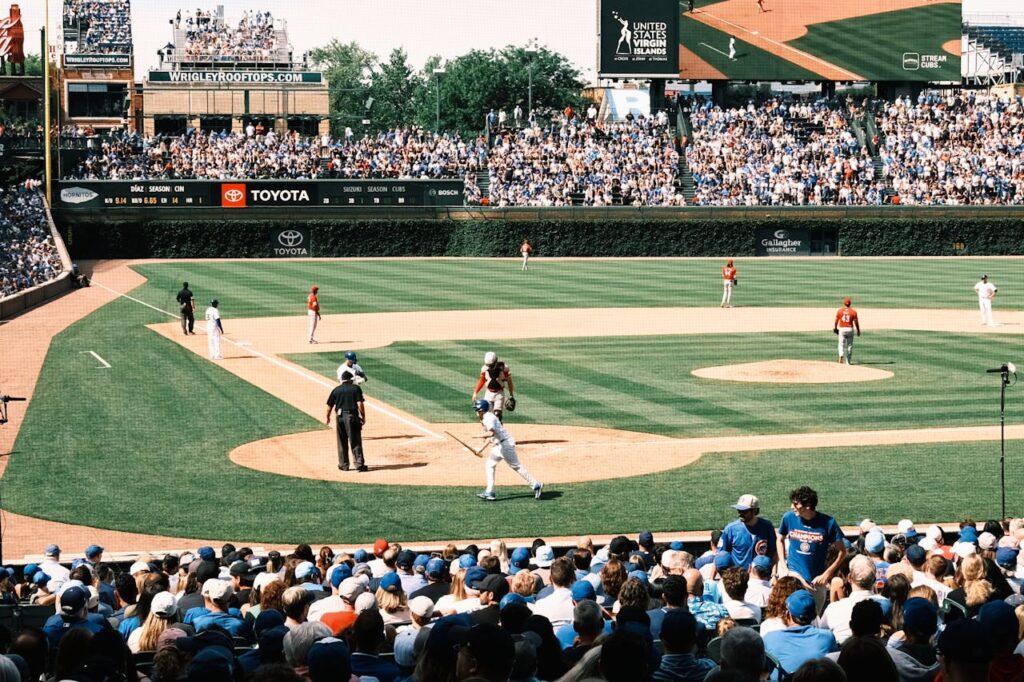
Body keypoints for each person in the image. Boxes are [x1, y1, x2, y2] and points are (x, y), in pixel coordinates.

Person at [777, 486, 846, 609]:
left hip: (816, 581)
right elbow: (779, 539)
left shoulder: (828, 523)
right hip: (794, 575)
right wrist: (784, 567)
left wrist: (827, 574)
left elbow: (842, 552)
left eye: (795, 504)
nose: (792, 507)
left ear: (808, 505)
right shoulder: (789, 517)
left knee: (814, 616)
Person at [473, 399, 542, 502]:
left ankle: (536, 484)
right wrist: (481, 449)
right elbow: (491, 438)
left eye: (477, 409)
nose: (476, 412)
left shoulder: (488, 418)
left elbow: (491, 433)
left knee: (516, 466)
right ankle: (490, 492)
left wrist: (477, 436)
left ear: (481, 410)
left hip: (505, 445)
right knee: (490, 464)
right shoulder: (484, 418)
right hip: (499, 445)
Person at [718, 494, 776, 571]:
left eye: (744, 511)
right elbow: (721, 555)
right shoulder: (730, 529)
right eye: (739, 510)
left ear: (755, 511)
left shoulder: (767, 527)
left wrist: (774, 574)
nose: (740, 514)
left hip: (762, 576)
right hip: (739, 577)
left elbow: (774, 552)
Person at [326, 371, 366, 472]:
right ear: (351, 379)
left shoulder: (336, 390)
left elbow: (329, 406)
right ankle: (359, 464)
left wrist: (328, 417)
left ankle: (343, 465)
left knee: (341, 441)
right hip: (351, 417)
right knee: (355, 440)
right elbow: (360, 403)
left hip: (339, 417)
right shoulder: (355, 388)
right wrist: (363, 416)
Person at [472, 352, 515, 420]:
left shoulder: (504, 368)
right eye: (488, 365)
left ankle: (499, 429)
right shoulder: (484, 369)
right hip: (488, 394)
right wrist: (475, 392)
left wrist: (511, 394)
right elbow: (481, 380)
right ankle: (486, 428)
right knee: (486, 415)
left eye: (491, 365)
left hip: (499, 393)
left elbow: (509, 381)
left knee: (498, 415)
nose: (489, 366)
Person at [833, 297, 860, 364]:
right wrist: (858, 330)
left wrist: (835, 328)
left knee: (841, 344)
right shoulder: (853, 312)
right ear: (850, 304)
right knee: (850, 345)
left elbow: (836, 321)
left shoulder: (840, 311)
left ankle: (841, 355)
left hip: (842, 329)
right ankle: (848, 361)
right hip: (850, 329)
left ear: (844, 303)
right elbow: (856, 322)